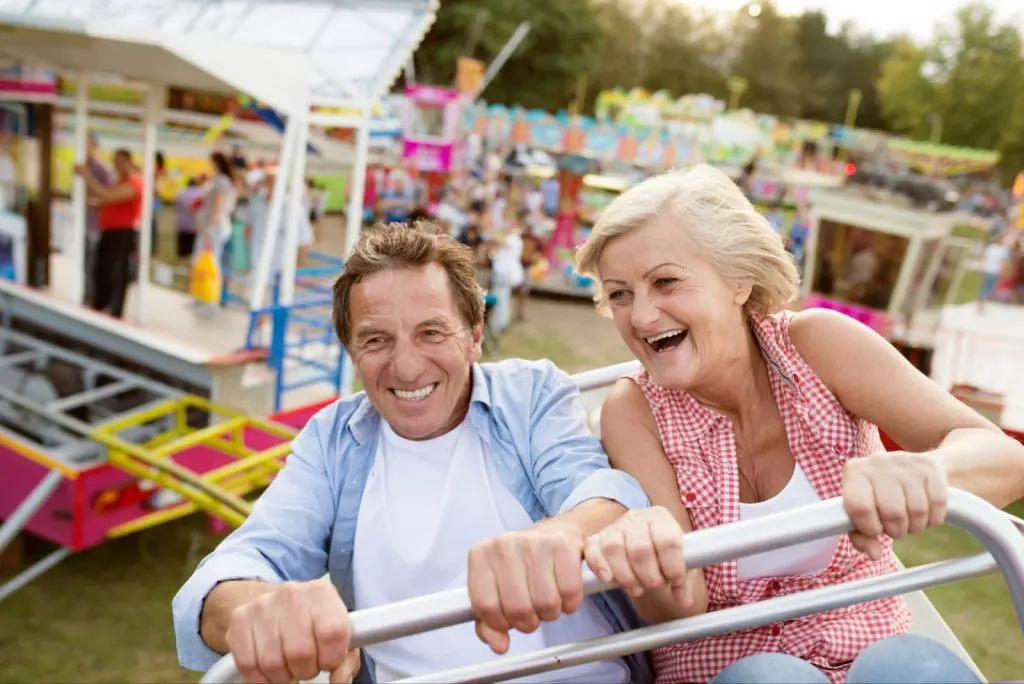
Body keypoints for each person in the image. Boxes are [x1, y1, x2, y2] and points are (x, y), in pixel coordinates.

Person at [573, 164, 1024, 684]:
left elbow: (1006, 459)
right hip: (728, 664)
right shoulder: (633, 410)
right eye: (621, 294)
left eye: (666, 282)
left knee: (912, 669)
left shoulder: (818, 345)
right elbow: (684, 604)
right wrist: (644, 560)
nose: (643, 317)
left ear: (738, 279)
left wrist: (928, 472)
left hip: (866, 643)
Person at [172, 223, 653, 684]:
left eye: (431, 333)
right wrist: (255, 608)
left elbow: (602, 493)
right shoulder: (333, 441)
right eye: (377, 340)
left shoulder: (527, 395)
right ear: (351, 351)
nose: (406, 367)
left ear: (475, 336)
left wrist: (563, 533)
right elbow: (239, 563)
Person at [75, 148, 144, 319]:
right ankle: (99, 303)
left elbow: (109, 196)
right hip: (109, 231)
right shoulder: (119, 182)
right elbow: (106, 200)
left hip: (123, 233)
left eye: (120, 162)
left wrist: (87, 177)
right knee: (101, 268)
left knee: (116, 271)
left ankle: (114, 308)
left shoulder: (135, 182)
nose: (117, 165)